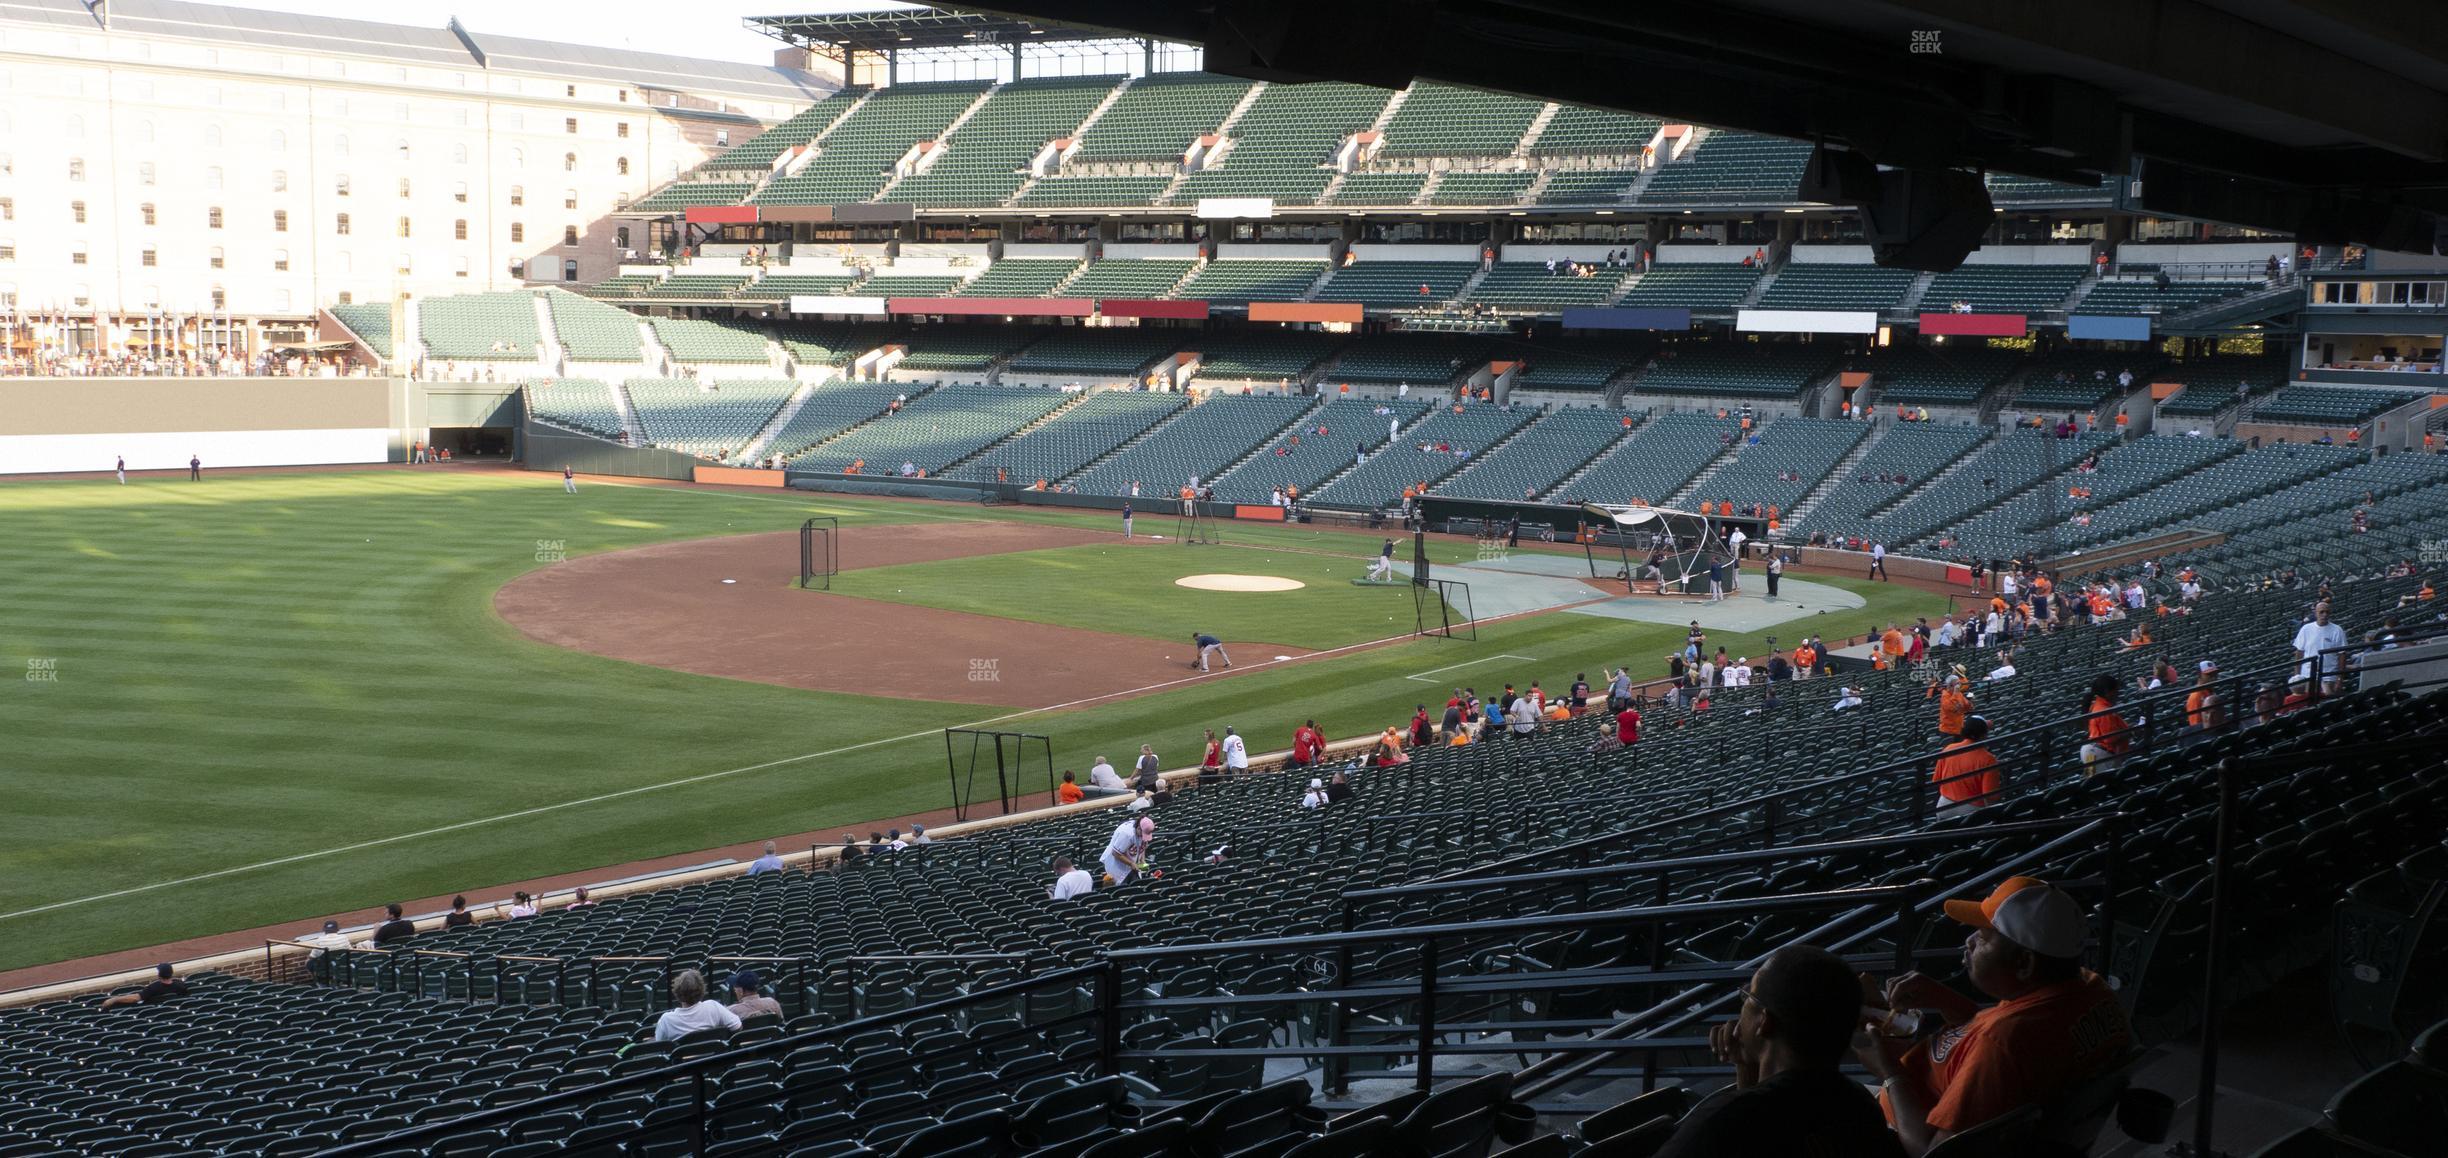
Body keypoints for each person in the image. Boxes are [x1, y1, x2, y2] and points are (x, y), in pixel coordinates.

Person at [1858, 877, 2133, 1155]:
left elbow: (1931, 1151)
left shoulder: (2004, 1041)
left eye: (1984, 937)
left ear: (2024, 963)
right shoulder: (2090, 989)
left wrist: (1891, 1071)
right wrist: (1947, 1001)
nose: (1969, 940)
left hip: (1899, 1135)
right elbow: (2009, 1048)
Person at [1670, 945, 1909, 1158]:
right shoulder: (1861, 1107)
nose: (1741, 1008)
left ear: (1764, 1021)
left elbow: (1756, 1118)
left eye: (1748, 997)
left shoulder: (1719, 1121)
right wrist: (1747, 1067)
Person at [653, 969, 742, 1042]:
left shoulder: (666, 1020)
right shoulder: (713, 1007)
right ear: (701, 990)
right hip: (714, 1060)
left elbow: (660, 1046)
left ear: (677, 993)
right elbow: (737, 1026)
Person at [1932, 716, 2000, 813]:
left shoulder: (1948, 749)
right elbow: (1991, 796)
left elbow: (1936, 780)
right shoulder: (1988, 759)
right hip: (1971, 811)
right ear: (1984, 735)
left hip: (1944, 806)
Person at [2080, 675, 2130, 778]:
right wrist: (2131, 732)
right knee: (2099, 784)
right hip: (2099, 753)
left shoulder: (2099, 705)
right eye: (2116, 691)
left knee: (2090, 782)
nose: (2118, 694)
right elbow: (2111, 738)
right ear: (2109, 692)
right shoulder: (2104, 710)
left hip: (2092, 751)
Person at [2292, 604, 2348, 694]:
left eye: (2327, 612)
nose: (2324, 614)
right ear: (2315, 613)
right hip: (2307, 675)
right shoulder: (2306, 629)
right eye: (2321, 612)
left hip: (2329, 676)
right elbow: (2299, 653)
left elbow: (2342, 655)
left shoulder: (2337, 630)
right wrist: (2297, 675)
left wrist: (2339, 679)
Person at [102, 963, 192, 1009]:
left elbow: (135, 998)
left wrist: (115, 999)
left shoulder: (154, 987)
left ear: (159, 975)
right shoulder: (180, 985)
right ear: (171, 974)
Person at [1102, 815, 1155, 885]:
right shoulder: (1126, 834)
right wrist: (1131, 863)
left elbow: (1143, 843)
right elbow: (1115, 853)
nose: (1143, 836)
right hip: (1117, 865)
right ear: (1139, 828)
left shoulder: (1141, 828)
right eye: (1142, 834)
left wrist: (1142, 860)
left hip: (1131, 863)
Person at [2184, 661, 2226, 735]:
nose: (2213, 677)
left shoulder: (2209, 689)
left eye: (2215, 674)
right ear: (2199, 675)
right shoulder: (2195, 696)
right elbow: (2195, 725)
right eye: (2209, 674)